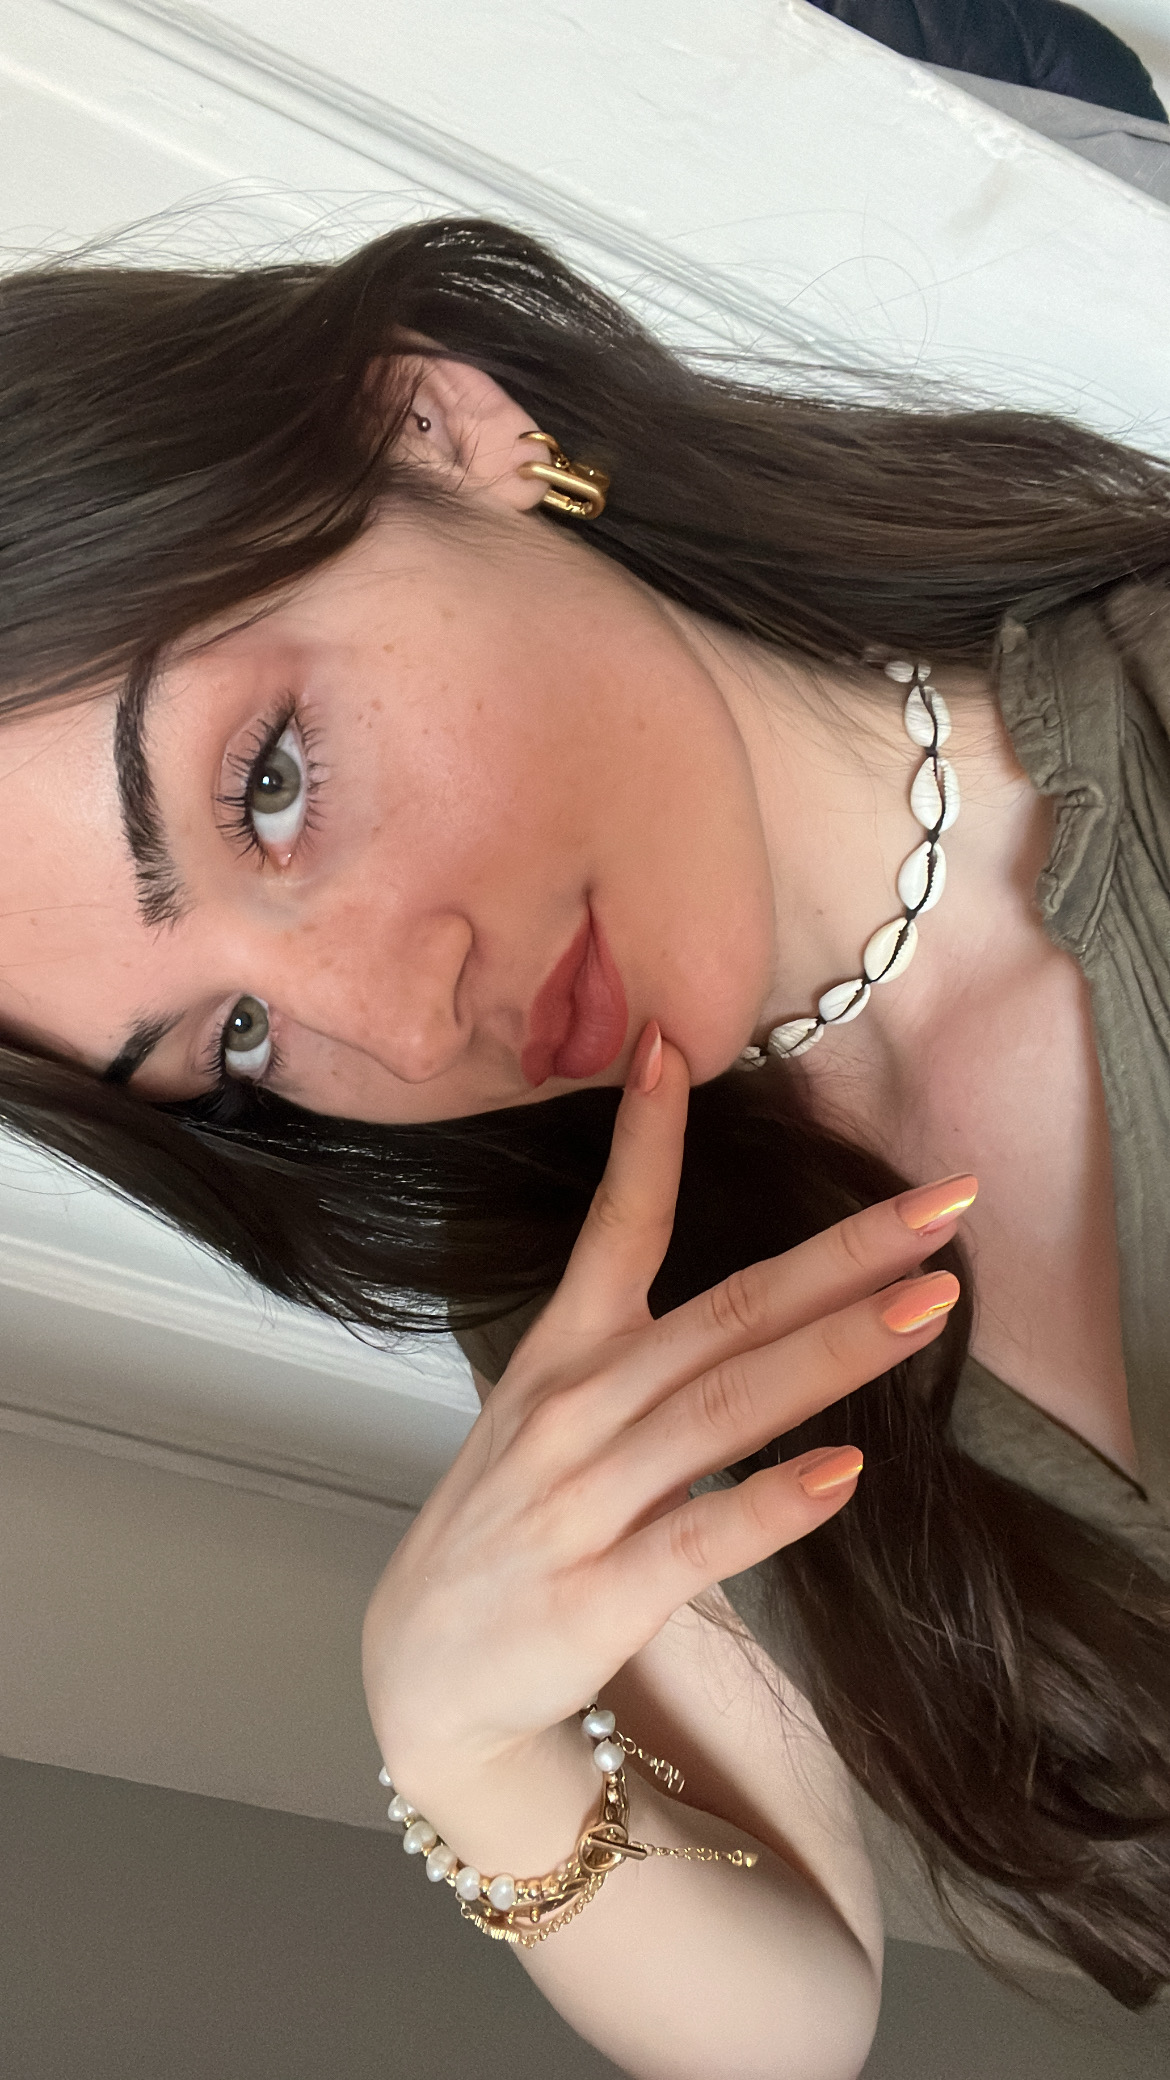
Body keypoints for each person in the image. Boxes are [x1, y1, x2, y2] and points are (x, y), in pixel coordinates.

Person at [1, 216, 1168, 2078]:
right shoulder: (608, 1298)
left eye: (269, 784)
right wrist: (463, 1743)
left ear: (436, 427)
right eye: (233, 1045)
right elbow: (788, 2028)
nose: (401, 1029)